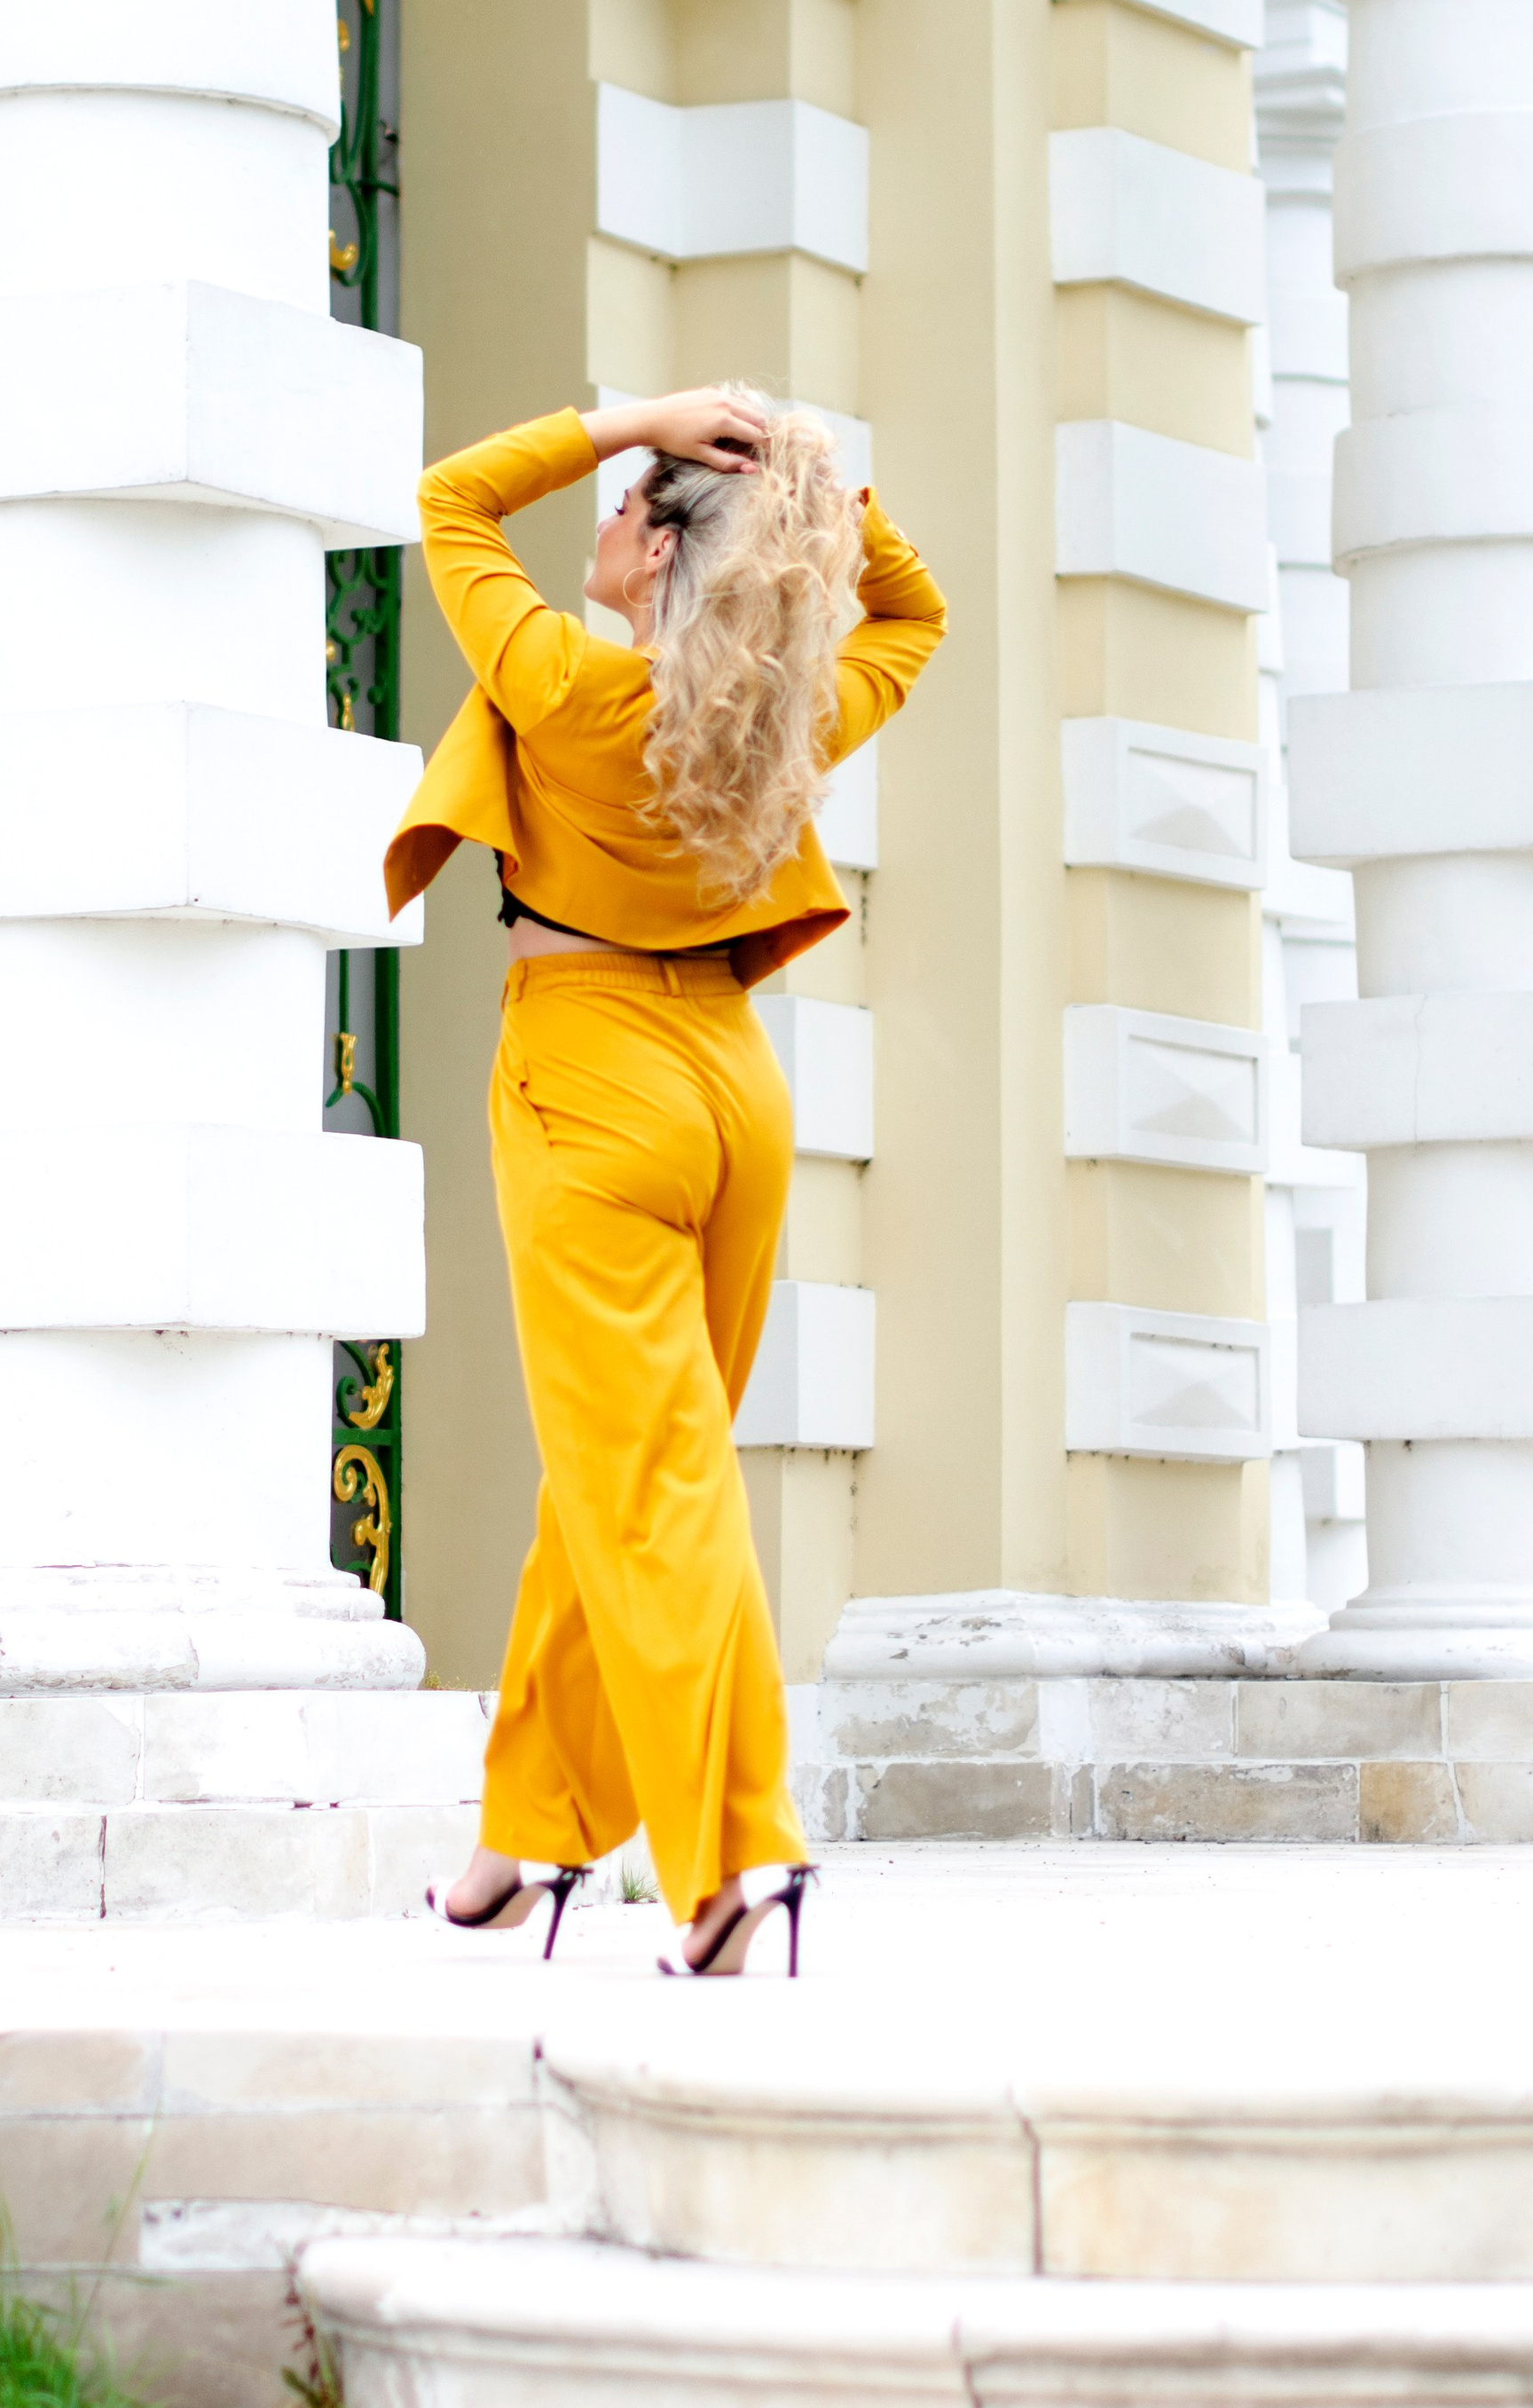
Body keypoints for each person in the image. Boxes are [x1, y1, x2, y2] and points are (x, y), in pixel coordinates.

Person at [384, 388, 946, 1973]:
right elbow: (919, 606)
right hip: (734, 1089)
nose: (601, 520)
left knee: (648, 1481)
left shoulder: (565, 689)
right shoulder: (792, 710)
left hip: (588, 1073)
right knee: (617, 1469)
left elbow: (451, 498)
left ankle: (735, 1866)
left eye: (625, 506)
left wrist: (641, 417)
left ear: (650, 553)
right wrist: (821, 479)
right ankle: (528, 1843)